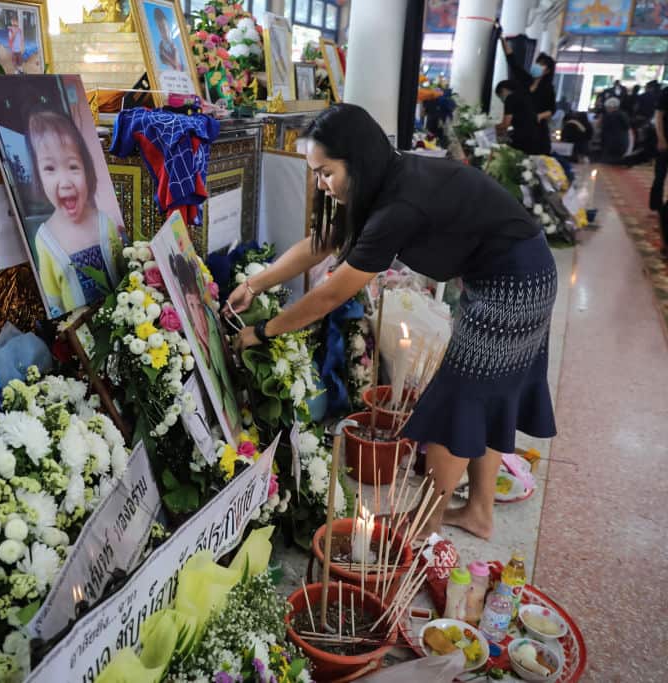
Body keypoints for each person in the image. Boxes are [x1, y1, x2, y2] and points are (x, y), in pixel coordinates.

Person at [229, 104, 557, 541]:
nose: (320, 185)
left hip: (514, 283)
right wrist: (255, 284)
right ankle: (477, 511)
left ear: (356, 162)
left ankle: (429, 519)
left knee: (458, 398)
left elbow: (331, 293)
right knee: (487, 393)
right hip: (519, 270)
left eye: (325, 173)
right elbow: (322, 243)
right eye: (315, 173)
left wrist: (264, 331)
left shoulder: (397, 205)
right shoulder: (383, 181)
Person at [27, 110, 124, 316]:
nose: (65, 182)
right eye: (50, 168)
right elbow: (54, 302)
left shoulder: (105, 223)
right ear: (38, 176)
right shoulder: (45, 240)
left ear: (87, 170)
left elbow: (123, 272)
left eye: (72, 166)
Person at [171, 252, 241, 432]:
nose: (197, 312)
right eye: (191, 306)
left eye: (198, 305)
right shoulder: (191, 335)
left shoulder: (210, 321)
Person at [502, 37, 555, 154]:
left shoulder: (548, 89)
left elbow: (552, 109)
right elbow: (512, 62)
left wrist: (539, 116)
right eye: (537, 63)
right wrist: (502, 39)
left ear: (547, 71)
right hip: (519, 129)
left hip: (537, 131)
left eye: (542, 65)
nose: (537, 66)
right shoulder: (525, 80)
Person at [495, 79, 545, 155]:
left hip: (523, 138)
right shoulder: (524, 96)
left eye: (500, 95)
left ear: (504, 90)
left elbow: (505, 124)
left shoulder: (510, 99)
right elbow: (521, 118)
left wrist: (491, 129)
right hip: (536, 136)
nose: (501, 99)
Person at [651, 84, 668, 259]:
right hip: (665, 143)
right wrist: (661, 138)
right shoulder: (666, 92)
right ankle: (656, 207)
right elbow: (658, 116)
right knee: (659, 177)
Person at [600, 97, 631, 163]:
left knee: (606, 165)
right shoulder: (624, 114)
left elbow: (604, 128)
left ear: (612, 107)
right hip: (623, 143)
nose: (606, 109)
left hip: (611, 145)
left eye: (607, 107)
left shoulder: (609, 116)